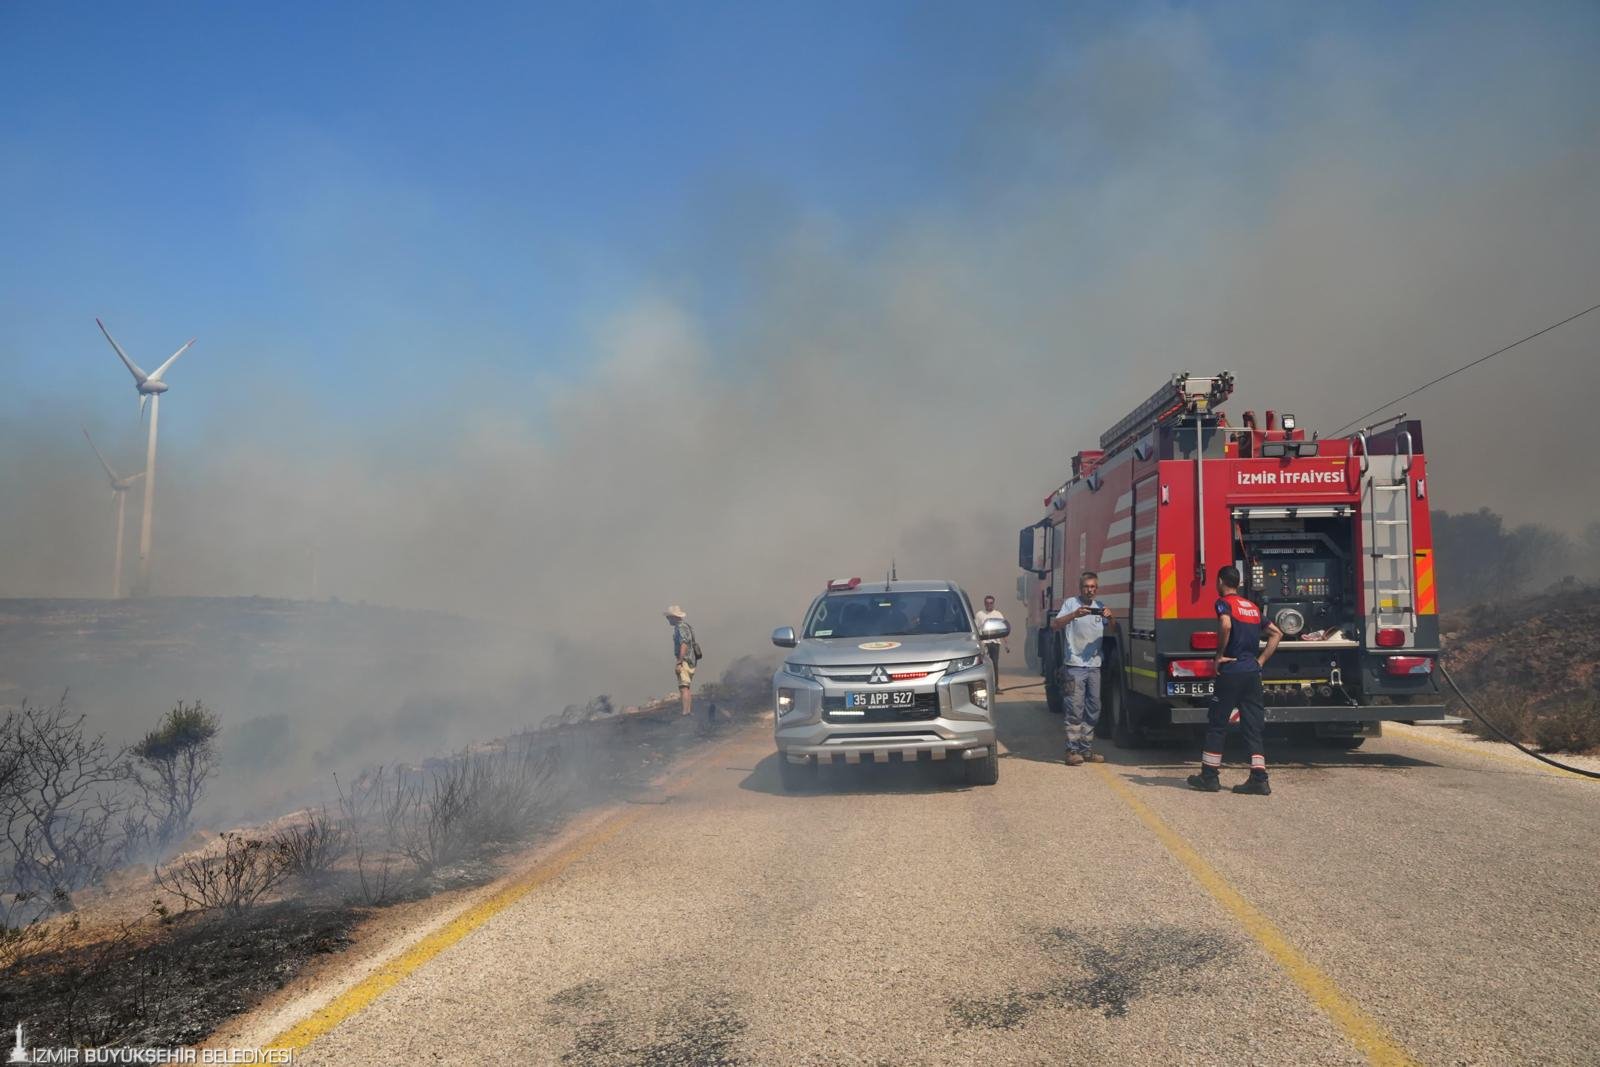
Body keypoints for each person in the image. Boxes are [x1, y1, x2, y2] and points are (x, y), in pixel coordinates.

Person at [1187, 566, 1283, 796]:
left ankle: (1209, 776)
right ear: (1239, 582)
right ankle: (1259, 778)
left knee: (1218, 722)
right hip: (1251, 672)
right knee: (1252, 725)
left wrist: (1219, 655)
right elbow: (1277, 633)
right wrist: (1260, 661)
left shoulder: (1224, 603)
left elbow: (1226, 624)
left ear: (1220, 581)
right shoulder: (1252, 607)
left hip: (1231, 671)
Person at [1051, 572, 1114, 765]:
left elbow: (1112, 630)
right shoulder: (1071, 604)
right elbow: (1055, 625)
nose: (1090, 590)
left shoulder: (1100, 607)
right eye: (1087, 586)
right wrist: (1073, 615)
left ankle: (1086, 750)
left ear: (1097, 588)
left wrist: (1110, 618)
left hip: (1094, 666)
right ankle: (1072, 751)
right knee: (1074, 709)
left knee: (1094, 708)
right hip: (1075, 665)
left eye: (1093, 586)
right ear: (1081, 588)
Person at [665, 605, 698, 717]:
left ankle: (685, 712)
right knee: (686, 687)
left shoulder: (680, 627)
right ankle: (687, 711)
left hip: (685, 660)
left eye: (669, 617)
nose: (668, 619)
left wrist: (679, 661)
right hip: (691, 660)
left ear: (674, 617)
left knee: (683, 687)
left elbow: (684, 644)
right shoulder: (686, 626)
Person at [974, 595, 1009, 675]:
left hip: (995, 643)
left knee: (994, 664)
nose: (989, 604)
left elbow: (1003, 629)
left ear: (993, 603)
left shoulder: (998, 614)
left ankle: (995, 685)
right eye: (987, 603)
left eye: (991, 603)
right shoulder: (979, 614)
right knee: (984, 665)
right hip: (984, 644)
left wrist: (1006, 644)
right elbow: (975, 630)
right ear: (984, 603)